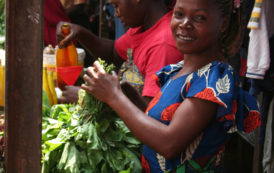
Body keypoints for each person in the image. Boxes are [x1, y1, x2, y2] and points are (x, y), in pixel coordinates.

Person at [80, 0, 262, 172]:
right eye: (179, 14)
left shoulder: (214, 80)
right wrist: (131, 99)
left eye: (199, 18)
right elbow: (165, 122)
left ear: (223, 24)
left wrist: (114, 97)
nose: (185, 24)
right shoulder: (177, 71)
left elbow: (169, 143)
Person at [56, 0, 183, 105]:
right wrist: (79, 32)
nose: (115, 14)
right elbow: (113, 53)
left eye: (116, 6)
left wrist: (87, 98)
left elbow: (150, 114)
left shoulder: (163, 45)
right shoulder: (142, 28)